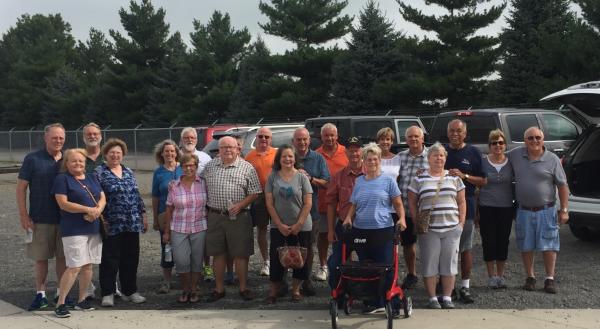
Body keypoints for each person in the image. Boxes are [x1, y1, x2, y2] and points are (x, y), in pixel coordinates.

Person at [342, 143, 406, 314]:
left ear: (379, 160)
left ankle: (391, 303)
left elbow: (398, 203)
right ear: (363, 161)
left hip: (383, 230)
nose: (372, 162)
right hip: (361, 231)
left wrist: (402, 218)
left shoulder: (388, 181)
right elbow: (354, 204)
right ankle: (373, 302)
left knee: (386, 267)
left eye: (375, 159)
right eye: (368, 159)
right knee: (366, 268)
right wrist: (348, 217)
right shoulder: (359, 181)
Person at [508, 127, 569, 294]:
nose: (534, 141)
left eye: (537, 138)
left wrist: (564, 209)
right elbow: (497, 159)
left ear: (543, 139)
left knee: (549, 245)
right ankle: (530, 277)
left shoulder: (552, 159)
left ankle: (550, 278)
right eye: (530, 138)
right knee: (526, 244)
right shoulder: (514, 155)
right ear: (524, 140)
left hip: (547, 209)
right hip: (524, 210)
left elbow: (563, 186)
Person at [16, 123, 69, 311]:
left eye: (61, 138)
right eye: (54, 137)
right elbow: (21, 188)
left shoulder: (68, 159)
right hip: (40, 218)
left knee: (63, 258)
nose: (58, 141)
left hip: (65, 219)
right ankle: (40, 294)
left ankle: (61, 294)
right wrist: (24, 215)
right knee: (41, 258)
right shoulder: (32, 159)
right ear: (45, 138)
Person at [202, 136, 261, 302]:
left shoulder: (247, 167)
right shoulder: (209, 166)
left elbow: (255, 192)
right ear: (218, 150)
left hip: (239, 217)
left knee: (241, 254)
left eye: (231, 147)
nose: (227, 150)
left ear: (238, 149)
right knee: (218, 253)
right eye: (223, 147)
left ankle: (243, 288)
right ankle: (219, 289)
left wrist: (241, 205)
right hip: (215, 215)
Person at [408, 142, 466, 310]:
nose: (438, 158)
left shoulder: (454, 177)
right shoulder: (419, 178)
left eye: (441, 155)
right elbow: (412, 200)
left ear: (445, 158)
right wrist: (416, 219)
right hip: (429, 230)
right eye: (435, 155)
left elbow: (462, 202)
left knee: (449, 263)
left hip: (451, 227)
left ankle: (447, 297)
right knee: (430, 262)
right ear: (428, 158)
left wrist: (461, 224)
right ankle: (432, 298)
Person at [51, 149, 106, 317]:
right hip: (74, 229)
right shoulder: (62, 179)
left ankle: (82, 300)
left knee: (88, 265)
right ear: (66, 163)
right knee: (74, 266)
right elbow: (63, 204)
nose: (78, 164)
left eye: (81, 161)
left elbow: (103, 197)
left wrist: (97, 211)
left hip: (93, 228)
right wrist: (88, 209)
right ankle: (61, 303)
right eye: (73, 161)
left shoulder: (92, 177)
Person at [95, 138, 148, 307]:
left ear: (123, 155)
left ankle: (130, 290)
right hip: (112, 224)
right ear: (106, 154)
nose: (115, 155)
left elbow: (136, 195)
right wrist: (101, 219)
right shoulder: (99, 172)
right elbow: (95, 197)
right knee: (110, 259)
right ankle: (108, 293)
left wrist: (143, 215)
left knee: (131, 258)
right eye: (112, 152)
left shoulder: (128, 171)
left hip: (132, 223)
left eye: (118, 152)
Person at [264, 145, 313, 303]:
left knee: (300, 258)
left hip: (302, 226)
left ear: (295, 159)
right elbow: (269, 204)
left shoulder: (302, 177)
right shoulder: (272, 177)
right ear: (279, 159)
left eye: (290, 156)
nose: (287, 159)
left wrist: (298, 224)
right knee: (276, 258)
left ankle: (296, 290)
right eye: (284, 156)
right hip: (279, 226)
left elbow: (308, 203)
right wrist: (279, 225)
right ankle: (273, 291)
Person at [444, 119, 486, 303]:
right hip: (443, 207)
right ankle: (447, 285)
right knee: (446, 249)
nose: (455, 134)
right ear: (447, 133)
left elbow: (484, 180)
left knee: (465, 248)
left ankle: (465, 286)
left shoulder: (474, 152)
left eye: (458, 131)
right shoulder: (440, 152)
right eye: (452, 131)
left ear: (465, 133)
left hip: (466, 206)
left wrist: (465, 176)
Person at [162, 153, 208, 303]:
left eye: (192, 165)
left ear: (196, 166)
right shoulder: (174, 185)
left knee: (196, 260)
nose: (189, 168)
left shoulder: (204, 183)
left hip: (199, 227)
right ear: (181, 167)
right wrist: (167, 231)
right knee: (181, 261)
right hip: (178, 228)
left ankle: (193, 289)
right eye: (185, 165)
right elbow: (169, 209)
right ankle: (185, 288)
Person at [292, 127, 330, 296]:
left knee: (307, 247)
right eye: (298, 139)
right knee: (290, 247)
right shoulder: (287, 156)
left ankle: (305, 281)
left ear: (309, 140)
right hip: (289, 212)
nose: (302, 142)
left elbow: (327, 182)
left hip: (311, 212)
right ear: (293, 141)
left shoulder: (318, 158)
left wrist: (311, 179)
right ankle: (291, 283)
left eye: (304, 139)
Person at [477, 130, 514, 289]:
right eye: (494, 143)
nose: (497, 146)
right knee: (489, 241)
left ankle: (500, 275)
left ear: (505, 145)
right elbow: (477, 185)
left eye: (500, 142)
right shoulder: (483, 162)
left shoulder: (511, 162)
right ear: (489, 146)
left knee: (503, 241)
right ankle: (491, 276)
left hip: (506, 207)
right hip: (486, 207)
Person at [326, 137, 364, 290]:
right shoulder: (339, 176)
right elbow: (331, 203)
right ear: (346, 152)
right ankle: (339, 292)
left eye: (357, 149)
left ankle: (367, 294)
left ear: (362, 151)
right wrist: (330, 230)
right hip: (344, 227)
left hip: (365, 228)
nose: (354, 153)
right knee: (336, 263)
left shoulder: (372, 174)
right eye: (351, 150)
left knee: (369, 264)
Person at [179, 126, 214, 282]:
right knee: (185, 241)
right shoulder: (176, 156)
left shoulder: (205, 157)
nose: (189, 140)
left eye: (192, 137)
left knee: (204, 240)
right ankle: (189, 272)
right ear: (181, 140)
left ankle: (207, 268)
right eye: (186, 137)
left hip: (203, 203)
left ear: (196, 140)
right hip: (183, 205)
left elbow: (212, 178)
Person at [396, 126, 429, 289]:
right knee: (408, 245)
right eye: (410, 137)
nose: (413, 139)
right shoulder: (400, 157)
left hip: (426, 211)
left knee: (430, 245)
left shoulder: (432, 156)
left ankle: (433, 277)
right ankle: (412, 274)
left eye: (416, 136)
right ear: (406, 139)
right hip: (406, 210)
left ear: (422, 138)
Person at [314, 123, 347, 282]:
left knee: (344, 236)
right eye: (326, 135)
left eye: (332, 135)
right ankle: (322, 265)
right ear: (321, 137)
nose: (329, 138)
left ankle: (344, 265)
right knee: (323, 235)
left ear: (337, 136)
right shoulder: (316, 155)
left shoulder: (346, 152)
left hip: (344, 205)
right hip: (323, 203)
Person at [151, 139, 183, 294]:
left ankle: (185, 279)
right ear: (161, 154)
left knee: (184, 247)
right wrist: (155, 218)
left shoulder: (184, 168)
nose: (169, 153)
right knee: (167, 247)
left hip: (184, 215)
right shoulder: (158, 173)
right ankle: (167, 281)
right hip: (165, 216)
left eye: (172, 151)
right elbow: (155, 197)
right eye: (166, 151)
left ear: (176, 153)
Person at [245, 127, 277, 277]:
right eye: (261, 136)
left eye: (266, 137)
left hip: (277, 196)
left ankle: (282, 259)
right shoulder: (249, 157)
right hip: (259, 198)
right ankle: (266, 262)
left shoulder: (277, 154)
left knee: (279, 229)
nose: (263, 139)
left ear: (271, 139)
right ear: (256, 138)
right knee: (262, 229)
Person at [81, 122, 104, 300]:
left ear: (100, 136)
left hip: (107, 210)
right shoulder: (78, 156)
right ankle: (87, 287)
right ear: (84, 137)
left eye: (95, 134)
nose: (92, 136)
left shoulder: (109, 154)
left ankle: (110, 285)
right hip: (85, 211)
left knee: (109, 251)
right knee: (85, 253)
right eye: (89, 134)